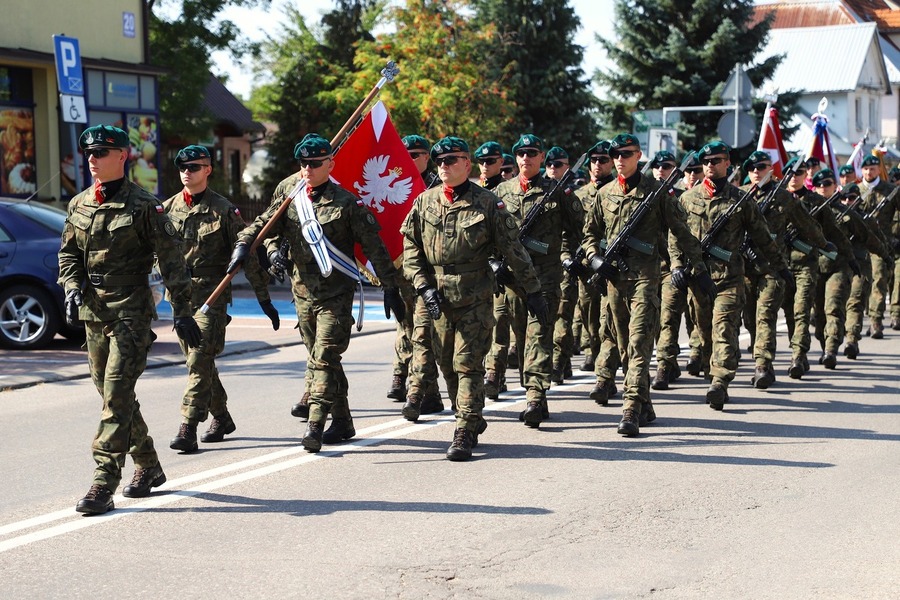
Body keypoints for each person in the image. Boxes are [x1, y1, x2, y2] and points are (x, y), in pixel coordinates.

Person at [227, 133, 405, 453]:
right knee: (323, 359)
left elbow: (375, 247)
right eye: (303, 163)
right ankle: (344, 420)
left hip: (336, 294)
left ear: (330, 164)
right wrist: (248, 245)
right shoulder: (290, 193)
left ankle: (316, 423)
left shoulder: (347, 203)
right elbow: (268, 224)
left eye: (315, 163)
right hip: (302, 292)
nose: (307, 169)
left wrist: (391, 286)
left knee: (323, 358)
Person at [59, 125, 202, 514]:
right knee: (113, 397)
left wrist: (183, 310)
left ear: (123, 156)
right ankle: (150, 466)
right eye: (89, 152)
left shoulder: (145, 206)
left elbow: (171, 261)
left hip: (130, 312)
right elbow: (69, 255)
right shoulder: (79, 204)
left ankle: (104, 482)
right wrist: (71, 287)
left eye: (101, 152)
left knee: (116, 396)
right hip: (93, 311)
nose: (92, 159)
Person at [401, 136, 544, 460]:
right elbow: (411, 247)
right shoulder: (425, 202)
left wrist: (532, 290)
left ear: (467, 163)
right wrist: (422, 285)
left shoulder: (488, 204)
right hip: (434, 295)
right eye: (440, 162)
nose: (445, 167)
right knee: (446, 365)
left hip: (474, 296)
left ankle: (464, 429)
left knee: (467, 364)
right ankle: (469, 413)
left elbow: (514, 251)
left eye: (451, 161)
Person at [583, 133, 714, 435]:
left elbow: (682, 234)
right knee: (624, 346)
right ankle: (645, 402)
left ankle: (630, 409)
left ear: (639, 155)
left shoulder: (657, 193)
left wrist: (700, 269)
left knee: (640, 342)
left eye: (626, 154)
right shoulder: (605, 194)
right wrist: (594, 258)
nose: (619, 159)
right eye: (615, 154)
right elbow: (589, 234)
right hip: (615, 279)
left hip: (645, 278)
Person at [162, 145, 279, 452]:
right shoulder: (167, 209)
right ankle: (222, 417)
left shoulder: (223, 209)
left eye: (195, 167)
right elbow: (155, 254)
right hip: (179, 297)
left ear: (208, 170)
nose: (188, 172)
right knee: (197, 362)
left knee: (199, 359)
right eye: (183, 168)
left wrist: (264, 299)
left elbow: (247, 255)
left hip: (211, 296)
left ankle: (188, 425)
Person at [679, 140, 789, 410]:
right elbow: (675, 237)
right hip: (697, 277)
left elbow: (762, 236)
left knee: (724, 329)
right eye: (706, 162)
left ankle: (720, 381)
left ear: (727, 163)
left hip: (729, 277)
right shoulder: (687, 199)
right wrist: (675, 265)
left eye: (716, 161)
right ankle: (711, 369)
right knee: (704, 332)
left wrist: (780, 265)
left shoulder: (741, 200)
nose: (710, 166)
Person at [492, 133, 583, 428]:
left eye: (532, 153)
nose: (526, 158)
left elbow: (578, 230)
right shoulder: (501, 192)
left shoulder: (556, 192)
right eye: (521, 153)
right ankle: (537, 393)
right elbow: (489, 235)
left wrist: (563, 253)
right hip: (512, 280)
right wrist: (495, 264)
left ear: (542, 158)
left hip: (544, 278)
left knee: (539, 337)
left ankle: (533, 395)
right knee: (521, 337)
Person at [741, 152, 830, 385]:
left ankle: (763, 365)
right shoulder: (739, 195)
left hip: (773, 266)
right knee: (749, 319)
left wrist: (823, 244)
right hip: (745, 267)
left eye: (761, 166)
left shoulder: (783, 198)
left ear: (771, 169)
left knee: (766, 315)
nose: (756, 171)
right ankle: (758, 352)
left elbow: (806, 224)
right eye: (751, 167)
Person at [386, 134, 443, 415]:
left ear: (425, 158)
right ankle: (426, 391)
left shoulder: (438, 187)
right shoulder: (396, 185)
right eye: (403, 156)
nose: (407, 161)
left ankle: (416, 387)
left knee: (422, 334)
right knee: (406, 328)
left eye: (414, 156)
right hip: (401, 271)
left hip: (429, 274)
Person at [810, 172, 877, 367]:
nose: (823, 187)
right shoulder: (806, 211)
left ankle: (832, 349)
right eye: (819, 183)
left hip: (841, 268)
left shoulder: (846, 214)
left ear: (834, 186)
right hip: (815, 268)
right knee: (819, 313)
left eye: (828, 183)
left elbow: (870, 237)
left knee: (837, 306)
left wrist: (885, 255)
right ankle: (825, 346)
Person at [857, 154, 897, 338]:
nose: (868, 172)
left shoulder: (890, 190)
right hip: (859, 244)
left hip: (881, 244)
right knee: (859, 284)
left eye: (872, 169)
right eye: (865, 169)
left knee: (879, 280)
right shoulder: (856, 190)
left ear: (878, 170)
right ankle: (855, 323)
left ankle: (876, 321)